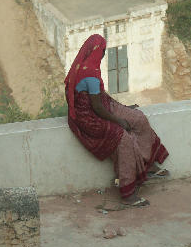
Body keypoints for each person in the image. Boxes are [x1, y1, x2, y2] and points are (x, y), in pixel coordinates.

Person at [65, 34, 169, 206]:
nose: (105, 54)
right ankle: (128, 192)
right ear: (98, 51)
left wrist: (124, 109)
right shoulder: (89, 74)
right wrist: (118, 120)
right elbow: (97, 108)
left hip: (101, 106)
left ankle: (147, 164)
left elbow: (100, 99)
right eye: (104, 50)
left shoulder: (89, 67)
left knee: (138, 119)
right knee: (123, 138)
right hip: (90, 118)